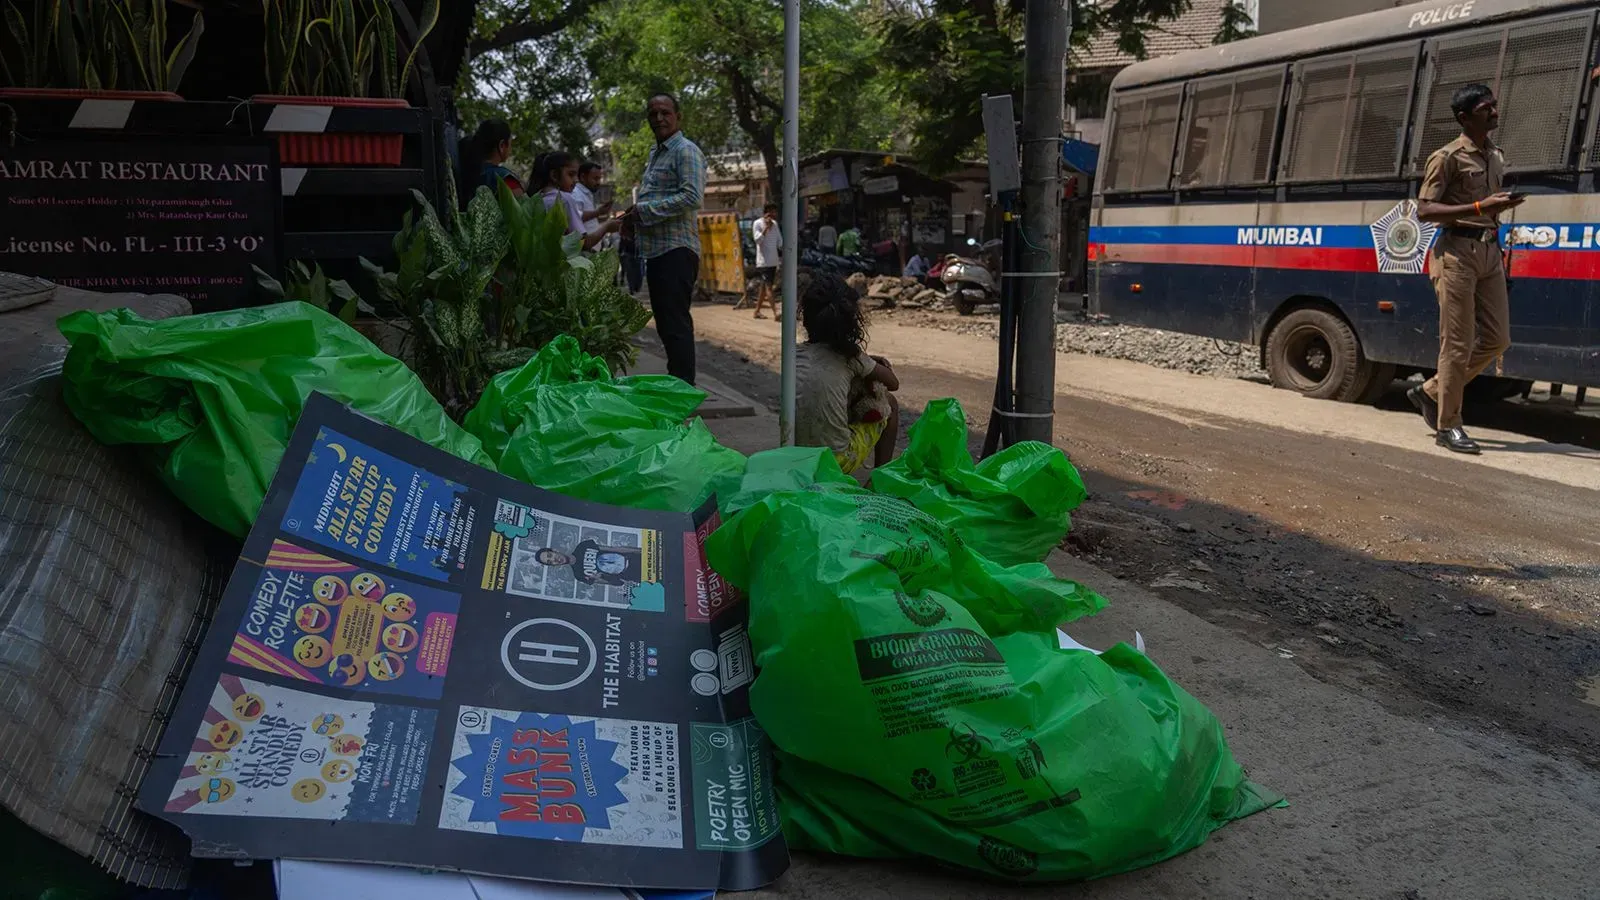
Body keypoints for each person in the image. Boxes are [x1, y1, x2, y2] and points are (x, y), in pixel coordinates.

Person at [1408, 83, 1523, 455]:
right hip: (1455, 251)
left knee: (1497, 339)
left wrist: (1496, 209)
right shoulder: (1447, 157)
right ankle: (1449, 425)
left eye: (1494, 105)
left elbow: (1487, 207)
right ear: (1465, 117)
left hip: (1489, 251)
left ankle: (1430, 392)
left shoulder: (1496, 155)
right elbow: (1424, 210)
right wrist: (1478, 207)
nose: (1494, 111)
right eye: (1486, 107)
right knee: (1456, 344)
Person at [622, 92, 707, 384]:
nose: (658, 118)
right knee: (667, 323)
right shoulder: (656, 154)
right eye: (652, 114)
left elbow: (692, 197)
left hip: (676, 249)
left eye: (665, 112)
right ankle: (678, 384)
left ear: (677, 116)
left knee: (675, 324)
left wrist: (643, 212)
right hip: (657, 251)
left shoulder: (685, 150)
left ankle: (683, 389)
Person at [796, 271, 901, 475]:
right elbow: (893, 383)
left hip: (795, 456)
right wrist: (868, 361)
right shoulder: (850, 357)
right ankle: (879, 480)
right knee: (891, 404)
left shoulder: (793, 354)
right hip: (836, 462)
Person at [533, 151, 621, 251]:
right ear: (554, 175)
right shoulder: (564, 199)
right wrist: (607, 227)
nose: (575, 180)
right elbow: (584, 243)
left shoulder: (537, 198)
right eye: (571, 175)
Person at [457, 119, 522, 205]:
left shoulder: (463, 172)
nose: (510, 149)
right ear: (502, 145)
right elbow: (525, 212)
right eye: (510, 144)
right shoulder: (506, 179)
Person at [535, 543, 642, 587]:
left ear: (554, 551)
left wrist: (641, 551)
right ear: (553, 565)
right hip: (632, 575)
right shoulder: (579, 575)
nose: (554, 559)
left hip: (634, 558)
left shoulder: (583, 546)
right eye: (550, 561)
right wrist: (601, 578)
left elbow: (614, 548)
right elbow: (617, 583)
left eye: (550, 555)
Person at [750, 202, 781, 319]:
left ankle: (756, 311)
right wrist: (766, 228)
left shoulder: (776, 224)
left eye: (775, 212)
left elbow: (779, 241)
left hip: (773, 261)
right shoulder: (757, 223)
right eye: (772, 212)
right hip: (764, 262)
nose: (774, 214)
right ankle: (776, 312)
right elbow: (758, 240)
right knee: (768, 287)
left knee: (764, 287)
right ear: (766, 213)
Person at [572, 162, 615, 245]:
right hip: (584, 249)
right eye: (595, 179)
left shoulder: (586, 194)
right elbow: (576, 217)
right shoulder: (576, 193)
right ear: (583, 177)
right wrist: (598, 212)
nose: (598, 182)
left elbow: (588, 222)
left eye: (599, 178)